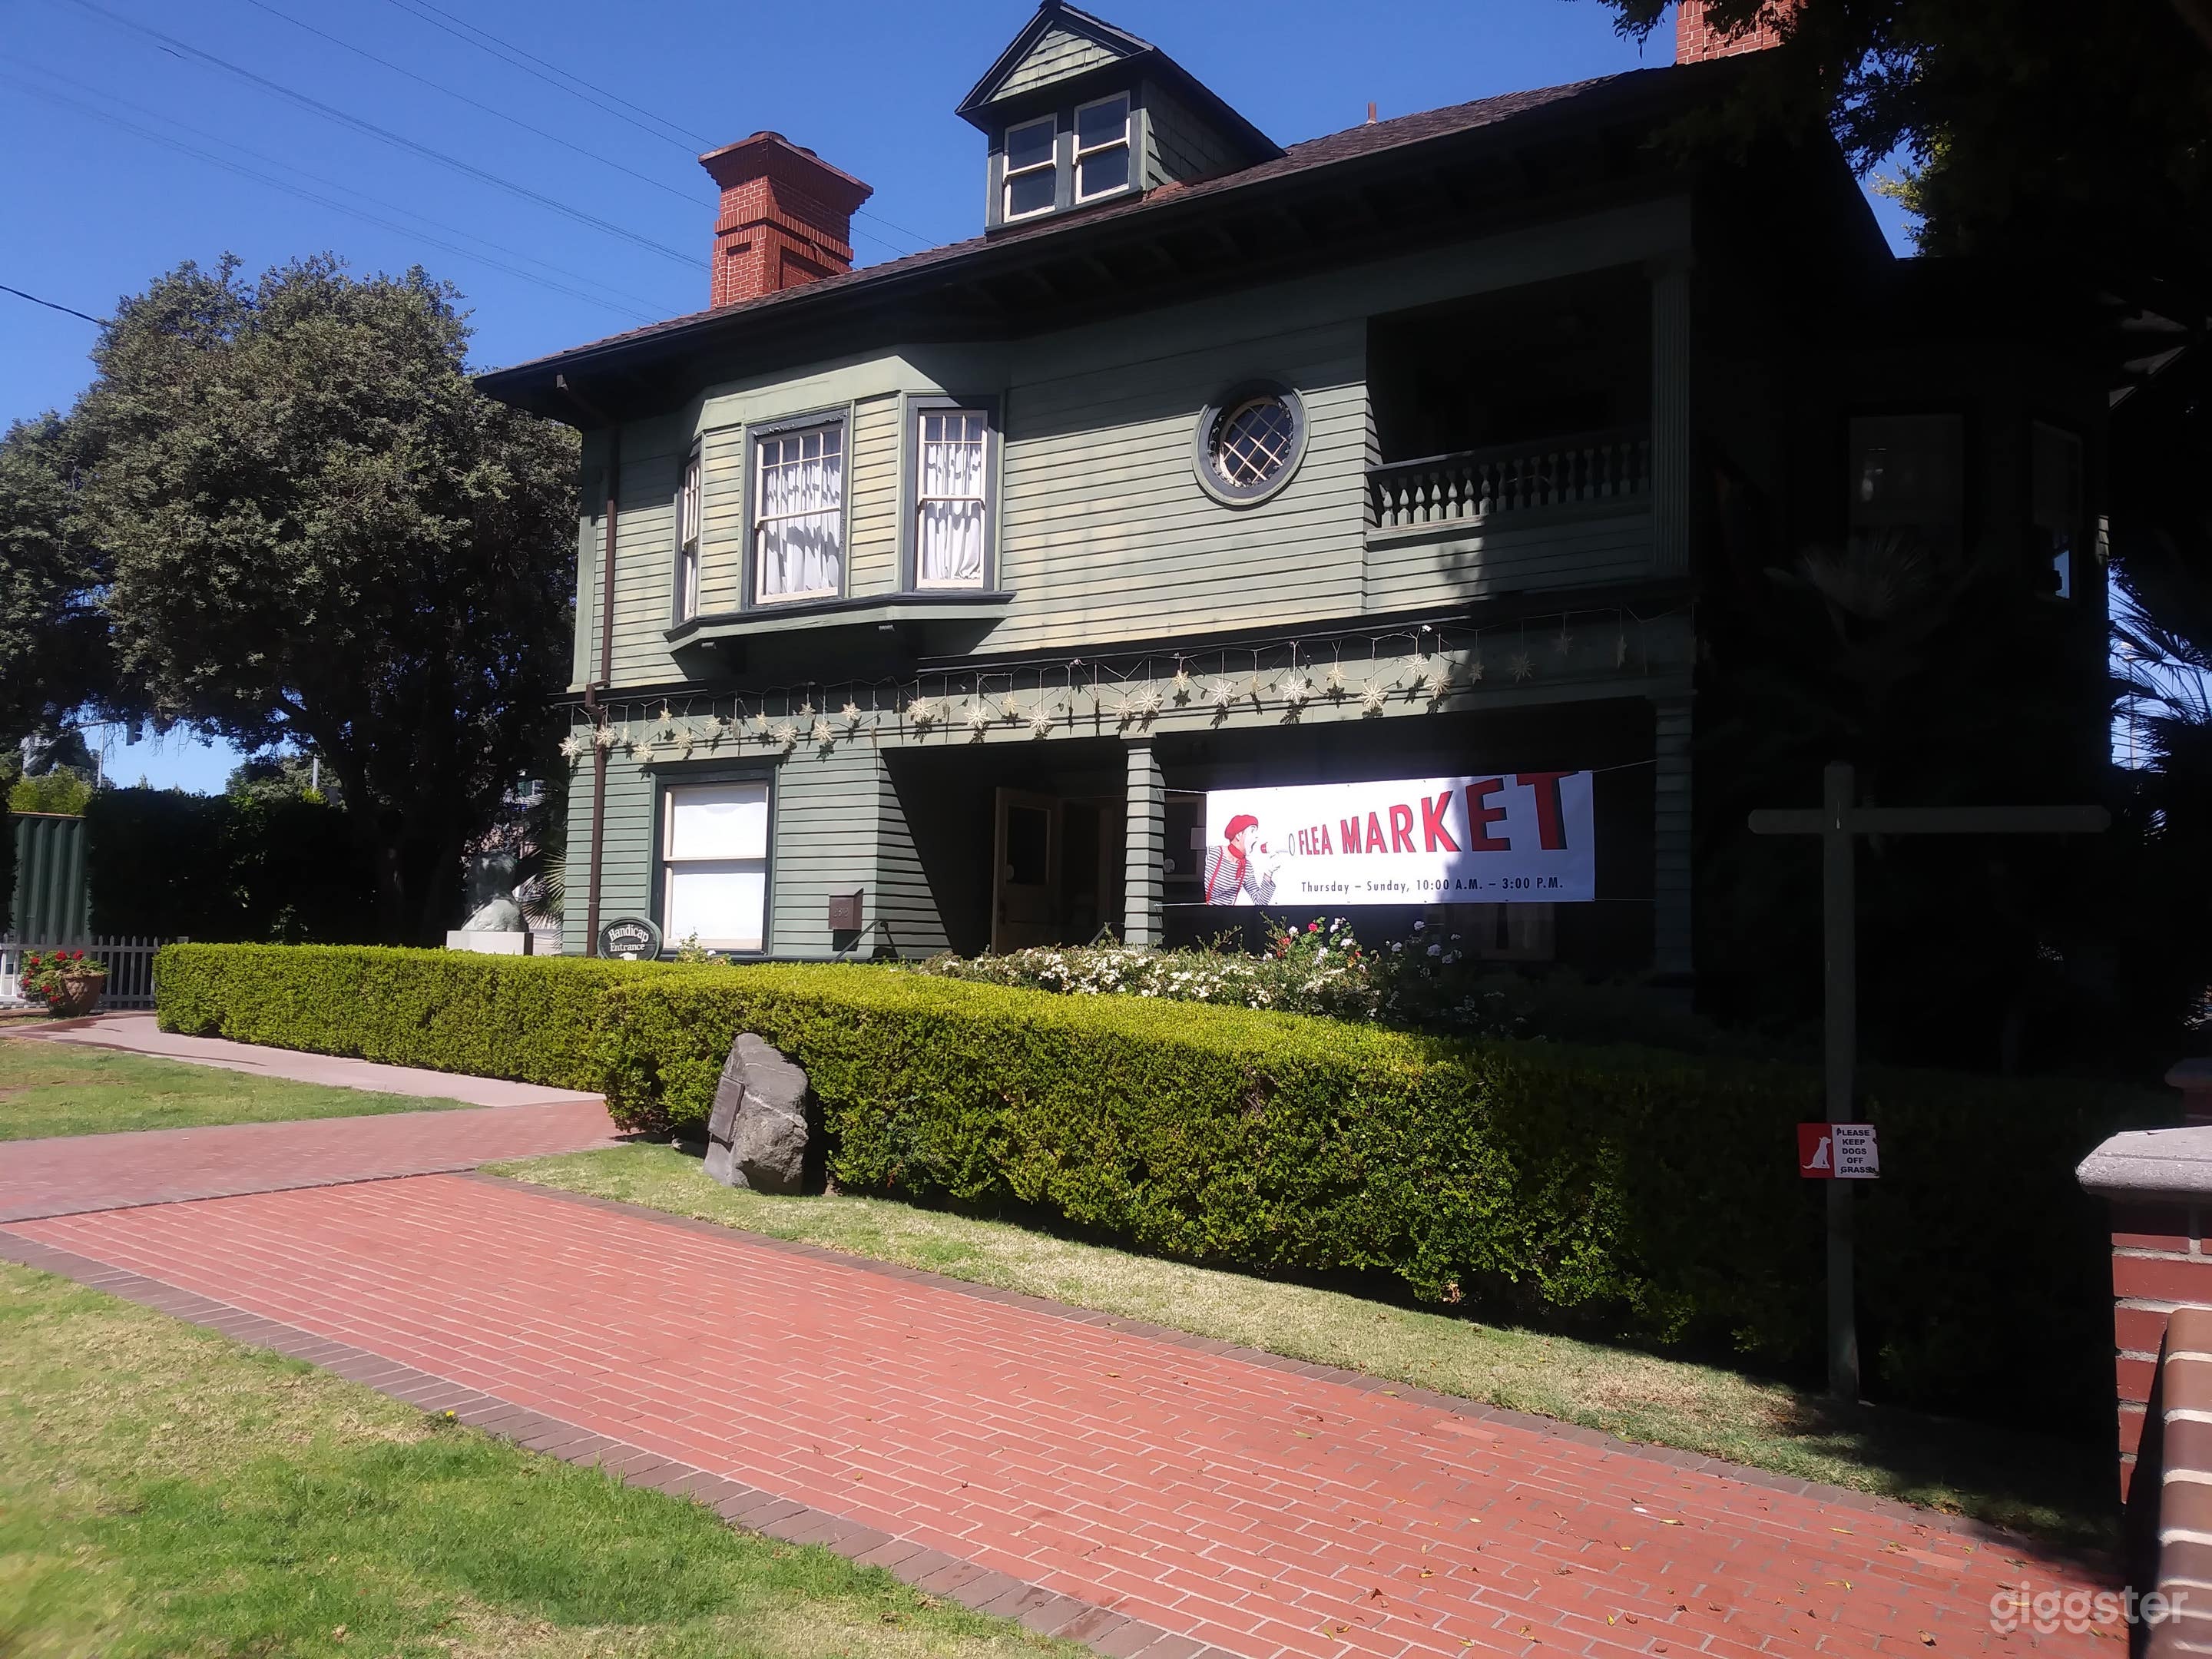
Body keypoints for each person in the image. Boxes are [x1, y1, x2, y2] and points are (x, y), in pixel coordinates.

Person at [1204, 812, 1277, 905]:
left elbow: (1260, 902)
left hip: (1225, 916)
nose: (1257, 836)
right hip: (1202, 913)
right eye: (1252, 831)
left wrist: (1269, 873)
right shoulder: (1213, 853)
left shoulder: (1247, 867)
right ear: (1238, 835)